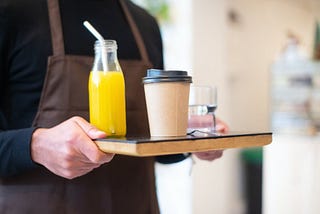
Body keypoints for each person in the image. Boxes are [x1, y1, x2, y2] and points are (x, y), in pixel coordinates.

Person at [0, 0, 228, 213]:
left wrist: (187, 137)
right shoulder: (11, 12)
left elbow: (151, 147)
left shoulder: (144, 24)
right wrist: (34, 145)